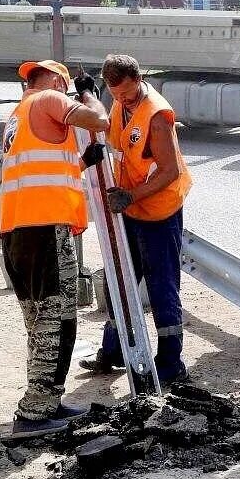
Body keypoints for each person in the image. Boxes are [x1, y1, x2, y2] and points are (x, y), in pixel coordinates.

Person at [0, 59, 109, 433]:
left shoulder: (19, 112)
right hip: (44, 226)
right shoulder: (49, 98)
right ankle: (35, 413)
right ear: (56, 81)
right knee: (57, 319)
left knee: (38, 320)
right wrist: (90, 94)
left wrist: (80, 163)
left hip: (18, 227)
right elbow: (100, 121)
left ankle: (47, 401)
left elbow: (40, 169)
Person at [81, 54, 193, 385]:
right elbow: (106, 131)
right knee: (119, 277)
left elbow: (170, 171)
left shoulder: (157, 116)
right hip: (129, 208)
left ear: (138, 80)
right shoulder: (118, 103)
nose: (122, 100)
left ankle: (171, 361)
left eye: (128, 94)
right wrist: (87, 96)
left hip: (159, 210)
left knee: (161, 284)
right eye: (115, 95)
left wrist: (131, 195)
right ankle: (113, 351)